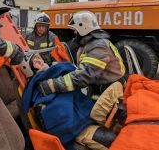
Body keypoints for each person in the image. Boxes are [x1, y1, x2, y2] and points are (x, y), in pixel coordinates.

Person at [37, 11, 126, 149]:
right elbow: (78, 68)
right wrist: (46, 68)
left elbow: (84, 76)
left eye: (75, 31)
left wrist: (53, 85)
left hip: (110, 94)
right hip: (103, 88)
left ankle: (103, 133)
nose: (74, 34)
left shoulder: (98, 46)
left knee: (87, 115)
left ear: (83, 28)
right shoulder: (91, 43)